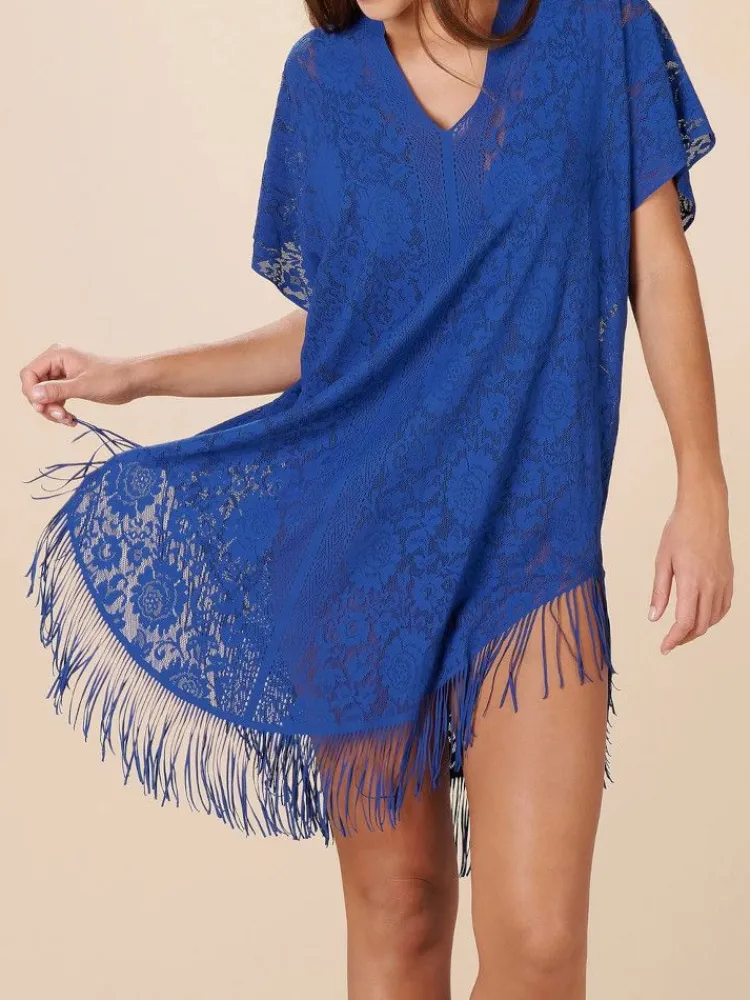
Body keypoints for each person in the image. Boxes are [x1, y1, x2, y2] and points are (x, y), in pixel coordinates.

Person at [19, 2, 733, 997]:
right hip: (359, 552)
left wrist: (702, 483)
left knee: (538, 944)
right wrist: (136, 375)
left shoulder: (599, 29)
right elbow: (346, 334)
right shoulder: (323, 82)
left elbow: (654, 262)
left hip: (532, 549)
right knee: (400, 909)